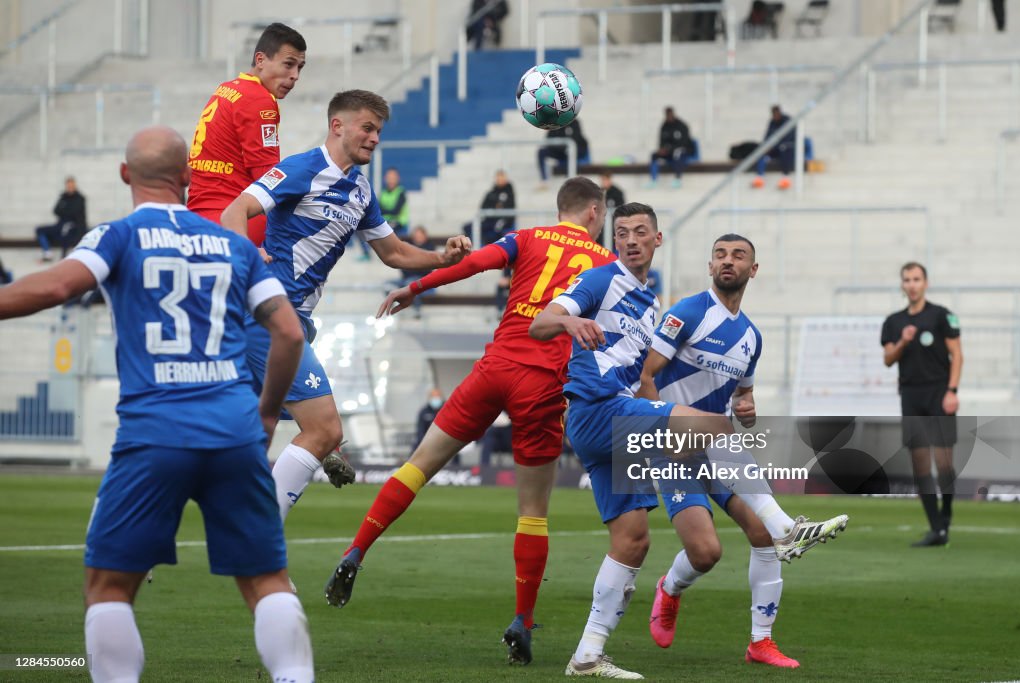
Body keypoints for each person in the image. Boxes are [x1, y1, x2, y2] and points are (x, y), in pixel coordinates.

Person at [0, 126, 313, 683]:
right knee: (266, 579)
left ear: (126, 176)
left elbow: (54, 289)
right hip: (234, 430)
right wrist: (266, 413)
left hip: (155, 433)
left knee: (109, 586)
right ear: (188, 177)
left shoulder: (117, 236)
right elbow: (288, 334)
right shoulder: (234, 243)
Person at [529, 202, 848, 679]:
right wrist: (571, 322)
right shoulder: (610, 282)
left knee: (634, 542)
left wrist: (745, 405)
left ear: (658, 240)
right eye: (622, 232)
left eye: (641, 232)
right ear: (613, 240)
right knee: (714, 432)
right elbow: (542, 323)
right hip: (605, 412)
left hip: (630, 432)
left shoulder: (652, 303)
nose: (631, 239)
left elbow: (738, 393)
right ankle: (784, 527)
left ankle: (588, 656)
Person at [324, 177, 615, 668]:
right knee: (533, 511)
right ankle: (522, 620)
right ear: (593, 212)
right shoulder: (606, 265)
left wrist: (415, 287)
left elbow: (472, 263)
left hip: (495, 368)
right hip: (541, 384)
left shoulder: (528, 238)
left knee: (418, 466)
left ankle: (356, 550)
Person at [221, 90, 472, 525]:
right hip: (269, 316)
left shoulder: (360, 190)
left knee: (232, 433)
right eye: (368, 128)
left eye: (379, 131)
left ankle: (142, 519)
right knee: (324, 429)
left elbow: (392, 253)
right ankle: (260, 540)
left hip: (292, 319)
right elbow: (234, 211)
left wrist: (440, 258)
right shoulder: (303, 168)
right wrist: (248, 252)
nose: (375, 138)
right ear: (338, 126)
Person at [637, 234, 801, 668]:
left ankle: (760, 642)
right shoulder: (688, 312)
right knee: (707, 553)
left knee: (762, 535)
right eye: (721, 255)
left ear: (753, 269)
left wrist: (746, 409)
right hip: (673, 447)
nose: (729, 262)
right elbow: (645, 377)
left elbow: (742, 400)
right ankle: (670, 589)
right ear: (710, 266)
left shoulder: (752, 338)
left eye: (739, 256)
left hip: (717, 447)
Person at [187, 22, 306, 246]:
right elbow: (266, 176)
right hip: (235, 223)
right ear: (260, 60)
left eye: (300, 67)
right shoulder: (259, 99)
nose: (295, 75)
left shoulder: (227, 88)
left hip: (197, 218)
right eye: (289, 64)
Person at [881, 262, 962, 547]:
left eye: (917, 279)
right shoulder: (893, 322)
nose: (912, 284)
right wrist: (902, 342)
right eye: (907, 279)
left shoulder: (942, 316)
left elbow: (957, 355)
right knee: (920, 464)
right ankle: (936, 528)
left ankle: (947, 513)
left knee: (943, 462)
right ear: (902, 285)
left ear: (925, 283)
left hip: (939, 393)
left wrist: (952, 391)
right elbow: (888, 359)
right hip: (911, 396)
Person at [35, 176, 87, 261]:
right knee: (39, 230)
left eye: (72, 185)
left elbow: (74, 213)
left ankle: (64, 257)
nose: (70, 187)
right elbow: (56, 210)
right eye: (68, 186)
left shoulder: (80, 198)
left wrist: (64, 210)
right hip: (60, 225)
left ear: (75, 186)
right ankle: (47, 253)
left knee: (66, 231)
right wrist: (66, 211)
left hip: (74, 227)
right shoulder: (63, 197)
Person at [648, 107, 695, 189]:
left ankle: (677, 179)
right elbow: (661, 140)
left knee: (678, 153)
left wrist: (670, 149)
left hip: (682, 150)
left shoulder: (681, 125)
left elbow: (684, 142)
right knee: (654, 155)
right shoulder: (664, 126)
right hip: (668, 151)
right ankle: (653, 180)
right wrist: (662, 149)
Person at [752, 105, 796, 190]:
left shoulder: (787, 121)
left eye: (776, 114)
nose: (775, 117)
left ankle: (785, 177)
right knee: (762, 152)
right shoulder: (772, 122)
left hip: (786, 148)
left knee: (784, 150)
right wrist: (766, 146)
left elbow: (789, 138)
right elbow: (767, 136)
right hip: (775, 148)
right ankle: (759, 176)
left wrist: (775, 145)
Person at [476, 169, 516, 245]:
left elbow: (509, 211)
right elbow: (483, 207)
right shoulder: (491, 193)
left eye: (502, 178)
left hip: (503, 223)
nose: (499, 180)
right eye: (498, 178)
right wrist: (495, 206)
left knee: (496, 232)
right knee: (470, 227)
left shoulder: (509, 193)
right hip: (490, 221)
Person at [379, 167, 410, 238]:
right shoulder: (383, 193)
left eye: (393, 178)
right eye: (389, 178)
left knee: (388, 230)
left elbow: (395, 211)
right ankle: (368, 249)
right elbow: (379, 210)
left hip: (399, 224)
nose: (391, 181)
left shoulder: (401, 192)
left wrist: (384, 211)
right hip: (385, 222)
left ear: (398, 179)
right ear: (385, 179)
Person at [414, 388, 445, 453]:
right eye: (434, 397)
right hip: (427, 443)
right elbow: (420, 431)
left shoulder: (447, 410)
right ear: (430, 398)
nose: (436, 399)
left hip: (445, 442)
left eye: (438, 396)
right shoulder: (424, 412)